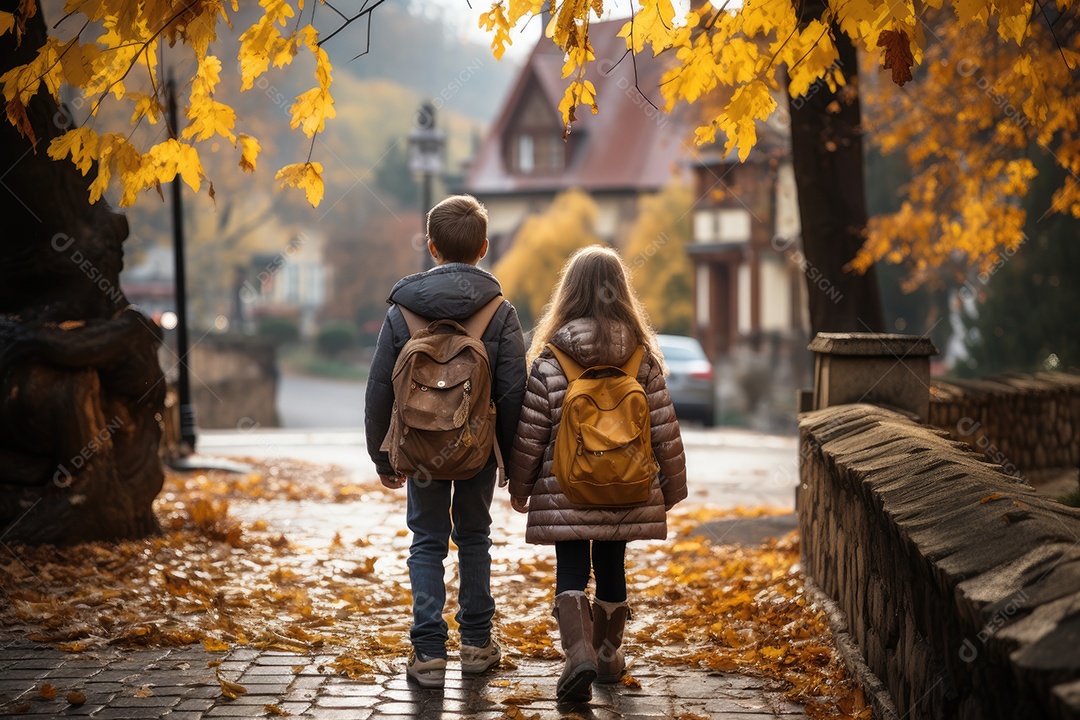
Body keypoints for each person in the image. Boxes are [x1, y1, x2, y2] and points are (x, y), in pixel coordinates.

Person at [507, 245, 688, 703]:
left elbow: (532, 431)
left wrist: (521, 487)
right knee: (612, 563)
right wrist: (672, 487)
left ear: (568, 293)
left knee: (571, 567)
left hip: (566, 488)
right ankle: (608, 654)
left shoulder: (553, 358)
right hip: (627, 485)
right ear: (621, 292)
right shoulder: (640, 357)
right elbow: (664, 428)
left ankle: (578, 653)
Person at [365, 194, 527, 688]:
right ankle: (477, 645)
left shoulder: (402, 312)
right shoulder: (500, 312)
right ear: (483, 248)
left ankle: (428, 651)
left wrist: (382, 456)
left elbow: (378, 389)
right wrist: (515, 466)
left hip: (420, 450)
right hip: (476, 448)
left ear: (432, 247)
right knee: (475, 537)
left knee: (427, 541)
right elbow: (514, 392)